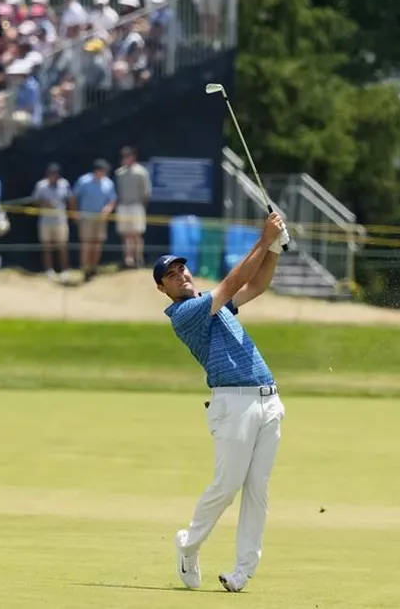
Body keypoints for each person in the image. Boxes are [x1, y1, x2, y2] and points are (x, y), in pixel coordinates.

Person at [159, 210, 289, 594]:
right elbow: (235, 282)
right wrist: (264, 239)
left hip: (268, 400)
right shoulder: (185, 313)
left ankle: (242, 571)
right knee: (228, 484)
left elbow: (257, 286)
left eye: (182, 270)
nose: (180, 276)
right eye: (170, 276)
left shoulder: (215, 305)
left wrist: (275, 251)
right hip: (232, 404)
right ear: (163, 289)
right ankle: (189, 545)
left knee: (257, 491)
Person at [71, 159, 117, 282]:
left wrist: (108, 209)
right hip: (86, 217)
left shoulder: (108, 183)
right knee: (86, 244)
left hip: (101, 219)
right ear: (96, 170)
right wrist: (74, 212)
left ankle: (93, 268)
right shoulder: (84, 181)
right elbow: (74, 197)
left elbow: (112, 200)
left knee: (97, 245)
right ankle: (85, 269)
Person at [33, 162, 71, 279]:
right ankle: (49, 270)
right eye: (51, 174)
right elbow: (35, 201)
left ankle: (64, 270)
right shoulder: (41, 185)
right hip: (45, 221)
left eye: (55, 174)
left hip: (60, 220)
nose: (53, 176)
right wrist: (45, 203)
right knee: (47, 247)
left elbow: (70, 199)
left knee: (62, 247)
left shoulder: (64, 184)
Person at [115, 146, 152, 268]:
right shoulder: (119, 173)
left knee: (137, 234)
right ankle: (128, 259)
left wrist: (142, 206)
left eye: (128, 156)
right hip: (123, 206)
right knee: (126, 234)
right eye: (124, 156)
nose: (126, 158)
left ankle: (138, 259)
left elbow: (146, 192)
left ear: (133, 157)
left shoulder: (141, 172)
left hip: (137, 206)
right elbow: (117, 191)